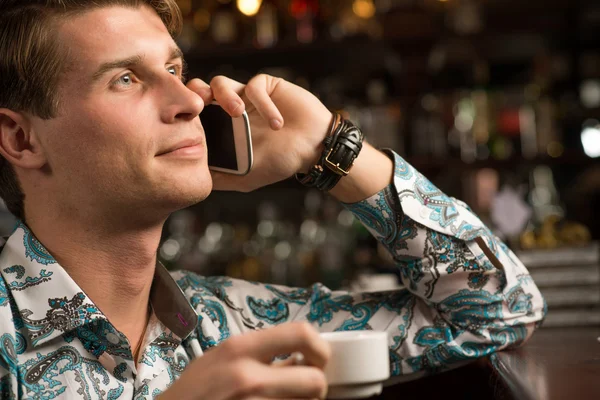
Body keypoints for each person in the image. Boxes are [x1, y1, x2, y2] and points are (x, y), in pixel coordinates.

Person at [0, 1, 545, 399]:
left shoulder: (236, 324)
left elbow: (498, 311)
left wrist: (333, 150)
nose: (189, 99)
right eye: (124, 79)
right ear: (22, 139)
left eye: (174, 69)